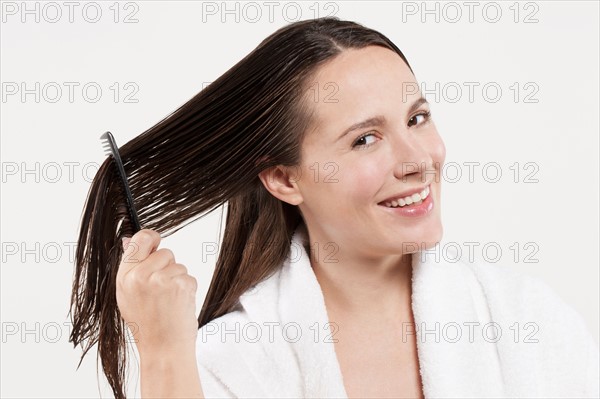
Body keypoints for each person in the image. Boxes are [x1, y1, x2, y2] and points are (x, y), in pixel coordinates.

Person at [69, 17, 599, 398]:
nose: (418, 159)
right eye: (365, 140)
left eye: (416, 118)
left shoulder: (527, 324)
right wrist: (164, 353)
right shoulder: (231, 365)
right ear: (283, 178)